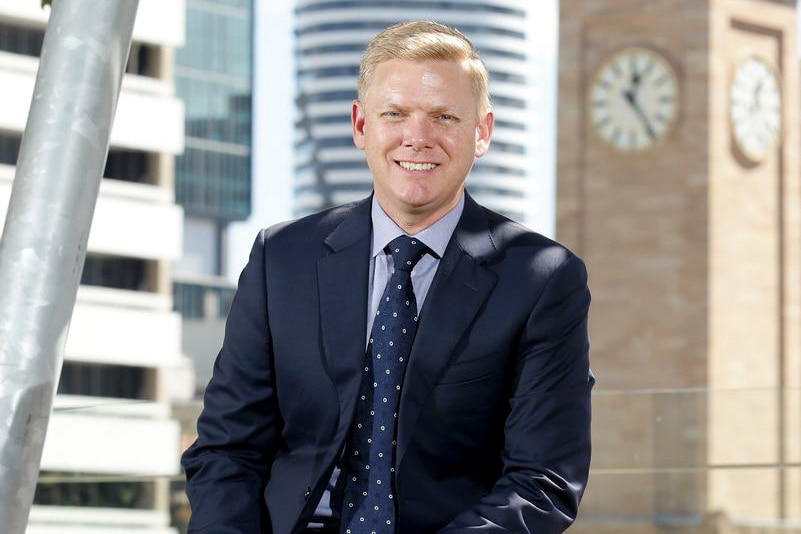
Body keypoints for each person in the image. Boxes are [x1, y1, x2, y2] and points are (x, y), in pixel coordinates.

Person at [181, 20, 593, 534]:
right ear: (361, 126)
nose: (417, 137)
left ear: (481, 132)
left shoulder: (541, 279)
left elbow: (542, 481)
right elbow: (227, 449)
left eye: (444, 116)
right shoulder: (281, 258)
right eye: (395, 114)